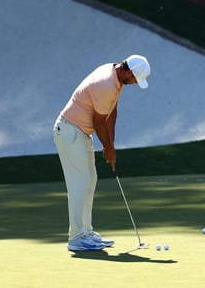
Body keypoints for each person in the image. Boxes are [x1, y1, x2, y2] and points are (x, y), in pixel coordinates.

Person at [53, 54, 151, 251]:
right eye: (135, 79)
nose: (134, 83)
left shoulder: (116, 77)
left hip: (79, 133)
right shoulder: (106, 84)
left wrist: (111, 146)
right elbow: (99, 122)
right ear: (129, 72)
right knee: (79, 184)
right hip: (70, 131)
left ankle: (86, 232)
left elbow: (111, 113)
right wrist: (107, 148)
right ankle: (76, 237)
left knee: (89, 180)